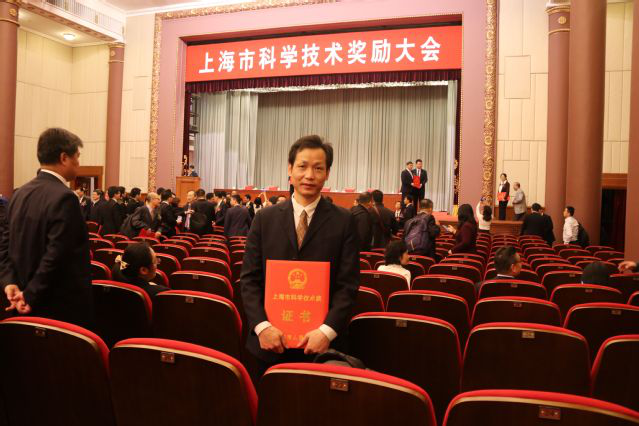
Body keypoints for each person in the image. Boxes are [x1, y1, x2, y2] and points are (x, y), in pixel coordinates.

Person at [240, 135, 359, 378]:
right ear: (290, 169)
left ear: (327, 173)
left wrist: (326, 331)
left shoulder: (344, 221)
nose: (309, 175)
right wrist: (262, 327)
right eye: (302, 166)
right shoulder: (264, 219)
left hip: (323, 349)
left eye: (318, 168)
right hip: (269, 345)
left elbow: (347, 285)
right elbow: (249, 279)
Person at [0, 128, 93, 328]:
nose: (78, 163)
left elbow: (4, 246)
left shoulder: (19, 193)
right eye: (77, 156)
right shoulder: (65, 197)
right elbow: (57, 255)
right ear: (64, 158)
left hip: (21, 297)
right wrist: (30, 295)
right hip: (56, 307)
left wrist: (9, 283)